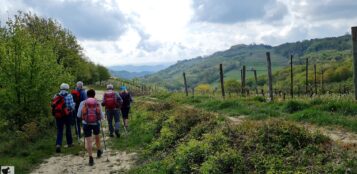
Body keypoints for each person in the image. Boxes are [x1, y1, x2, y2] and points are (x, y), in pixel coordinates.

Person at [77, 89, 104, 166]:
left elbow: (78, 115)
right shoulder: (97, 102)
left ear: (87, 95)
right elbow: (101, 115)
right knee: (97, 137)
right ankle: (99, 150)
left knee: (89, 141)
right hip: (96, 123)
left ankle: (90, 157)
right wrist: (101, 118)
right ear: (94, 95)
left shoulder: (83, 103)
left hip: (86, 123)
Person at [51, 83, 75, 153]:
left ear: (60, 88)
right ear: (67, 88)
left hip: (58, 115)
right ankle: (69, 143)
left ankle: (58, 144)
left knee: (60, 130)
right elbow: (71, 106)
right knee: (68, 129)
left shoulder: (56, 95)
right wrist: (74, 105)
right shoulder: (69, 95)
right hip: (67, 114)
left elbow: (53, 105)